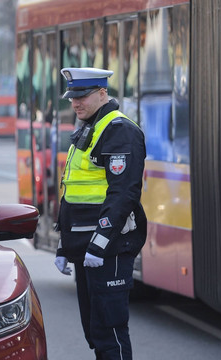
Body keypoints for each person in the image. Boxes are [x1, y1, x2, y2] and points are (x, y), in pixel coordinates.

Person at [53, 67, 147, 360]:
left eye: (83, 96)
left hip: (110, 248)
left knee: (110, 331)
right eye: (72, 97)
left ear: (103, 93)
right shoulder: (87, 127)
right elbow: (74, 190)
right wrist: (63, 244)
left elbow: (123, 194)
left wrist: (101, 242)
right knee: (95, 331)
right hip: (85, 249)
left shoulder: (119, 130)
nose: (76, 103)